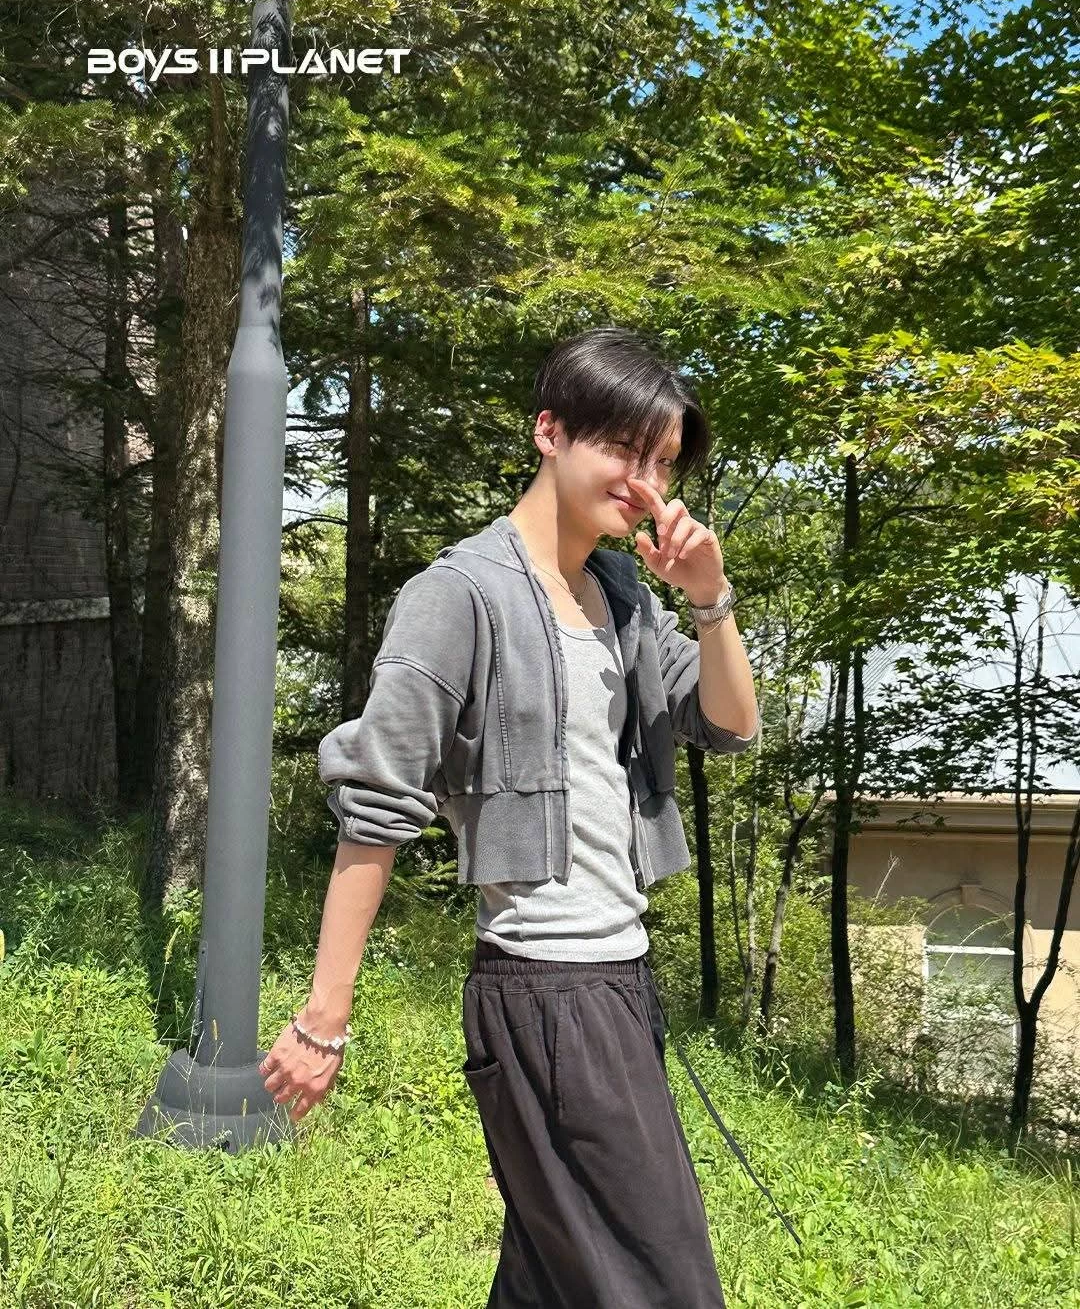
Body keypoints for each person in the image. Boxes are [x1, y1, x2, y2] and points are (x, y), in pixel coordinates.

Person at [259, 327, 761, 1307]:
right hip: (547, 995)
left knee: (552, 1280)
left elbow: (728, 724)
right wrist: (323, 1023)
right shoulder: (459, 597)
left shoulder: (622, 595)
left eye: (664, 461)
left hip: (620, 981)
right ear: (550, 432)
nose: (647, 482)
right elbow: (378, 803)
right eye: (624, 448)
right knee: (663, 1284)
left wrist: (710, 598)